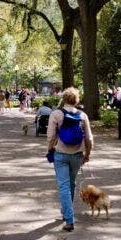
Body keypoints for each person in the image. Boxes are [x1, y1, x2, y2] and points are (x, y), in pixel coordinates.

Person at [46, 87, 94, 232]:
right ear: (76, 100)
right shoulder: (82, 115)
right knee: (71, 184)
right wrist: (87, 154)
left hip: (60, 154)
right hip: (77, 155)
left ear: (64, 99)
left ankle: (69, 218)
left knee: (64, 186)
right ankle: (67, 212)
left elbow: (50, 136)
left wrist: (49, 149)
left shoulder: (56, 114)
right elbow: (89, 138)